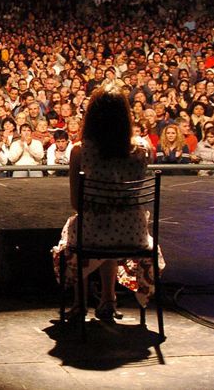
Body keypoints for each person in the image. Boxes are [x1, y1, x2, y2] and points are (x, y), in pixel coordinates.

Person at [52, 85, 164, 323]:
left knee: (79, 230)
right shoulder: (142, 149)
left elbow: (76, 203)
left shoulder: (80, 151)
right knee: (113, 224)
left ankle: (80, 303)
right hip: (133, 233)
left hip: (94, 232)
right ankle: (108, 300)